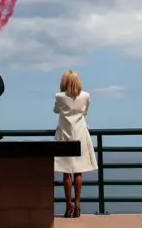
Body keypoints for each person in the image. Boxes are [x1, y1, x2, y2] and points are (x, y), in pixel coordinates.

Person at [54, 69, 98, 219]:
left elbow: (55, 110)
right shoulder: (85, 96)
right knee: (78, 171)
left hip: (64, 136)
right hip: (80, 134)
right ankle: (78, 205)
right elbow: (85, 112)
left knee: (66, 172)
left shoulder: (59, 97)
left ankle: (68, 206)